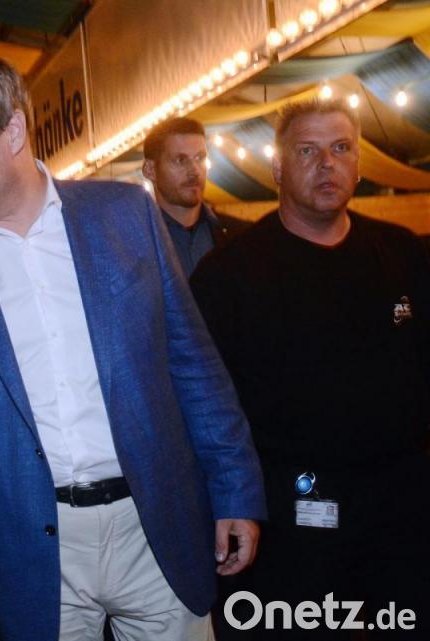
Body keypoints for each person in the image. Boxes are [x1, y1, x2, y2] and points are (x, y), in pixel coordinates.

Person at [0, 54, 266, 641]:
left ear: (13, 129)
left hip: (155, 522)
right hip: (32, 544)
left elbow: (191, 363)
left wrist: (235, 487)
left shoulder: (125, 214)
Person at [191, 98, 430, 639]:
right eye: (307, 151)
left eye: (341, 148)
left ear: (359, 164)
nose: (327, 163)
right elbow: (206, 407)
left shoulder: (401, 253)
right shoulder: (228, 276)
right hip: (292, 514)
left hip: (401, 509)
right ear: (278, 168)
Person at [141, 117, 248, 275]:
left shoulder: (240, 235)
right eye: (180, 160)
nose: (195, 171)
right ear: (150, 170)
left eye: (200, 158)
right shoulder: (132, 244)